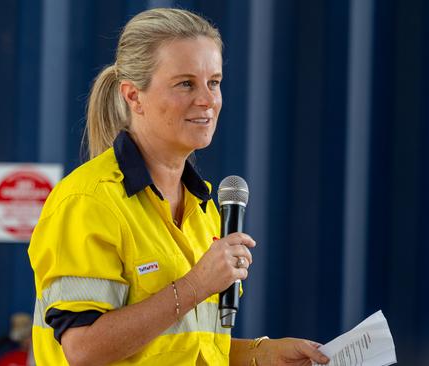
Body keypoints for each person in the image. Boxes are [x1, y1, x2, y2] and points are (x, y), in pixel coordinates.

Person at [28, 8, 330, 366]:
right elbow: (83, 349)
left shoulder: (202, 208)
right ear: (133, 96)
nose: (207, 100)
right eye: (186, 83)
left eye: (214, 82)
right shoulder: (88, 201)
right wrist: (196, 285)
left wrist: (262, 354)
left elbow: (182, 348)